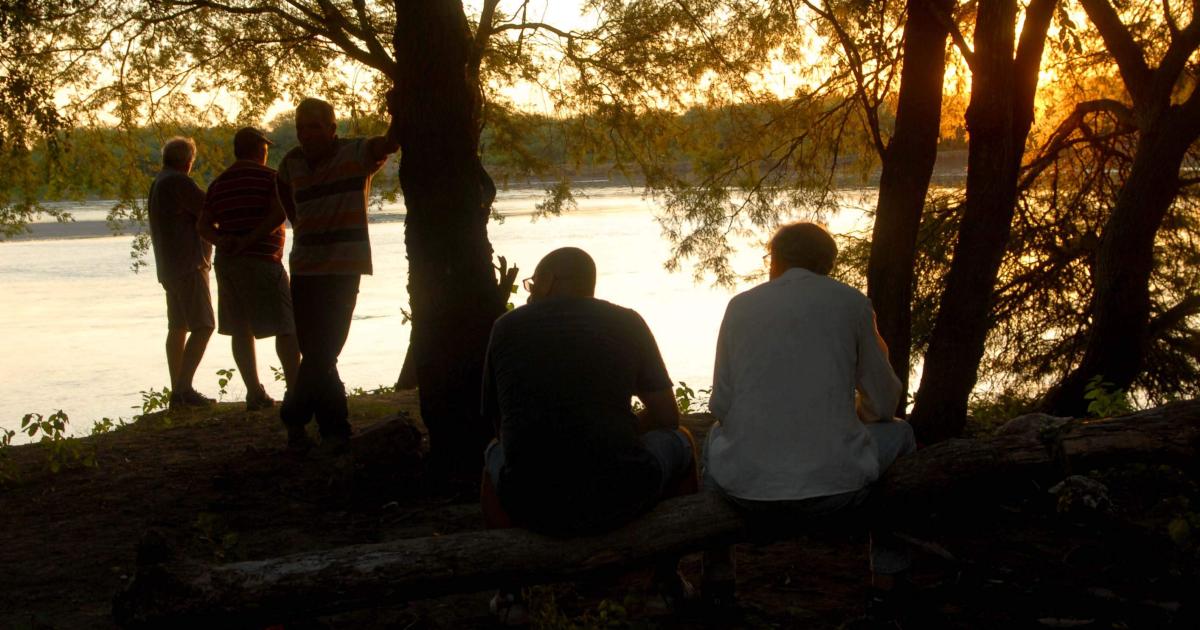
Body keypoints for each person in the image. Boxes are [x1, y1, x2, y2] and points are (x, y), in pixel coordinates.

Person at [701, 222, 916, 620]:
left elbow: (722, 406)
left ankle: (717, 583)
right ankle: (887, 584)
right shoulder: (852, 304)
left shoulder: (741, 305)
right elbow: (885, 403)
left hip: (747, 493)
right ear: (828, 265)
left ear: (776, 260)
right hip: (837, 493)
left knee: (710, 441)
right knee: (902, 434)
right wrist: (852, 415)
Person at [479, 247, 699, 624]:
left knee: (491, 455)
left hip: (532, 500)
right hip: (622, 492)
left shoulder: (506, 326)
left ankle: (511, 593)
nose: (531, 290)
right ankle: (666, 584)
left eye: (534, 281)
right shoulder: (628, 322)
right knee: (683, 440)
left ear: (548, 281)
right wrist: (621, 430)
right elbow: (666, 416)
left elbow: (499, 425)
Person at [276, 97, 400, 451]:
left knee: (324, 350)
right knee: (317, 351)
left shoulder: (355, 154)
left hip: (344, 267)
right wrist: (298, 221)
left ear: (332, 128)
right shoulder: (291, 162)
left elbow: (390, 143)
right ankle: (333, 429)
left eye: (313, 126)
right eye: (301, 127)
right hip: (304, 266)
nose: (305, 134)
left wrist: (399, 107)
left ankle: (296, 418)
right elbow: (282, 187)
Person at [196, 127, 300, 411]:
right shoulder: (270, 178)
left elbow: (203, 226)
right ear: (260, 150)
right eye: (265, 149)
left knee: (240, 328)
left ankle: (254, 392)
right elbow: (279, 214)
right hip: (264, 261)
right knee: (286, 326)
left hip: (228, 264)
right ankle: (295, 390)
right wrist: (249, 240)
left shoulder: (218, 184)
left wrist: (222, 240)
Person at [147, 137, 215, 409]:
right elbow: (209, 209)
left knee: (178, 327)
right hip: (188, 264)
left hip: (169, 266)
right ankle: (183, 389)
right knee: (204, 325)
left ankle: (178, 388)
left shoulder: (159, 183)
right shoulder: (178, 182)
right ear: (189, 162)